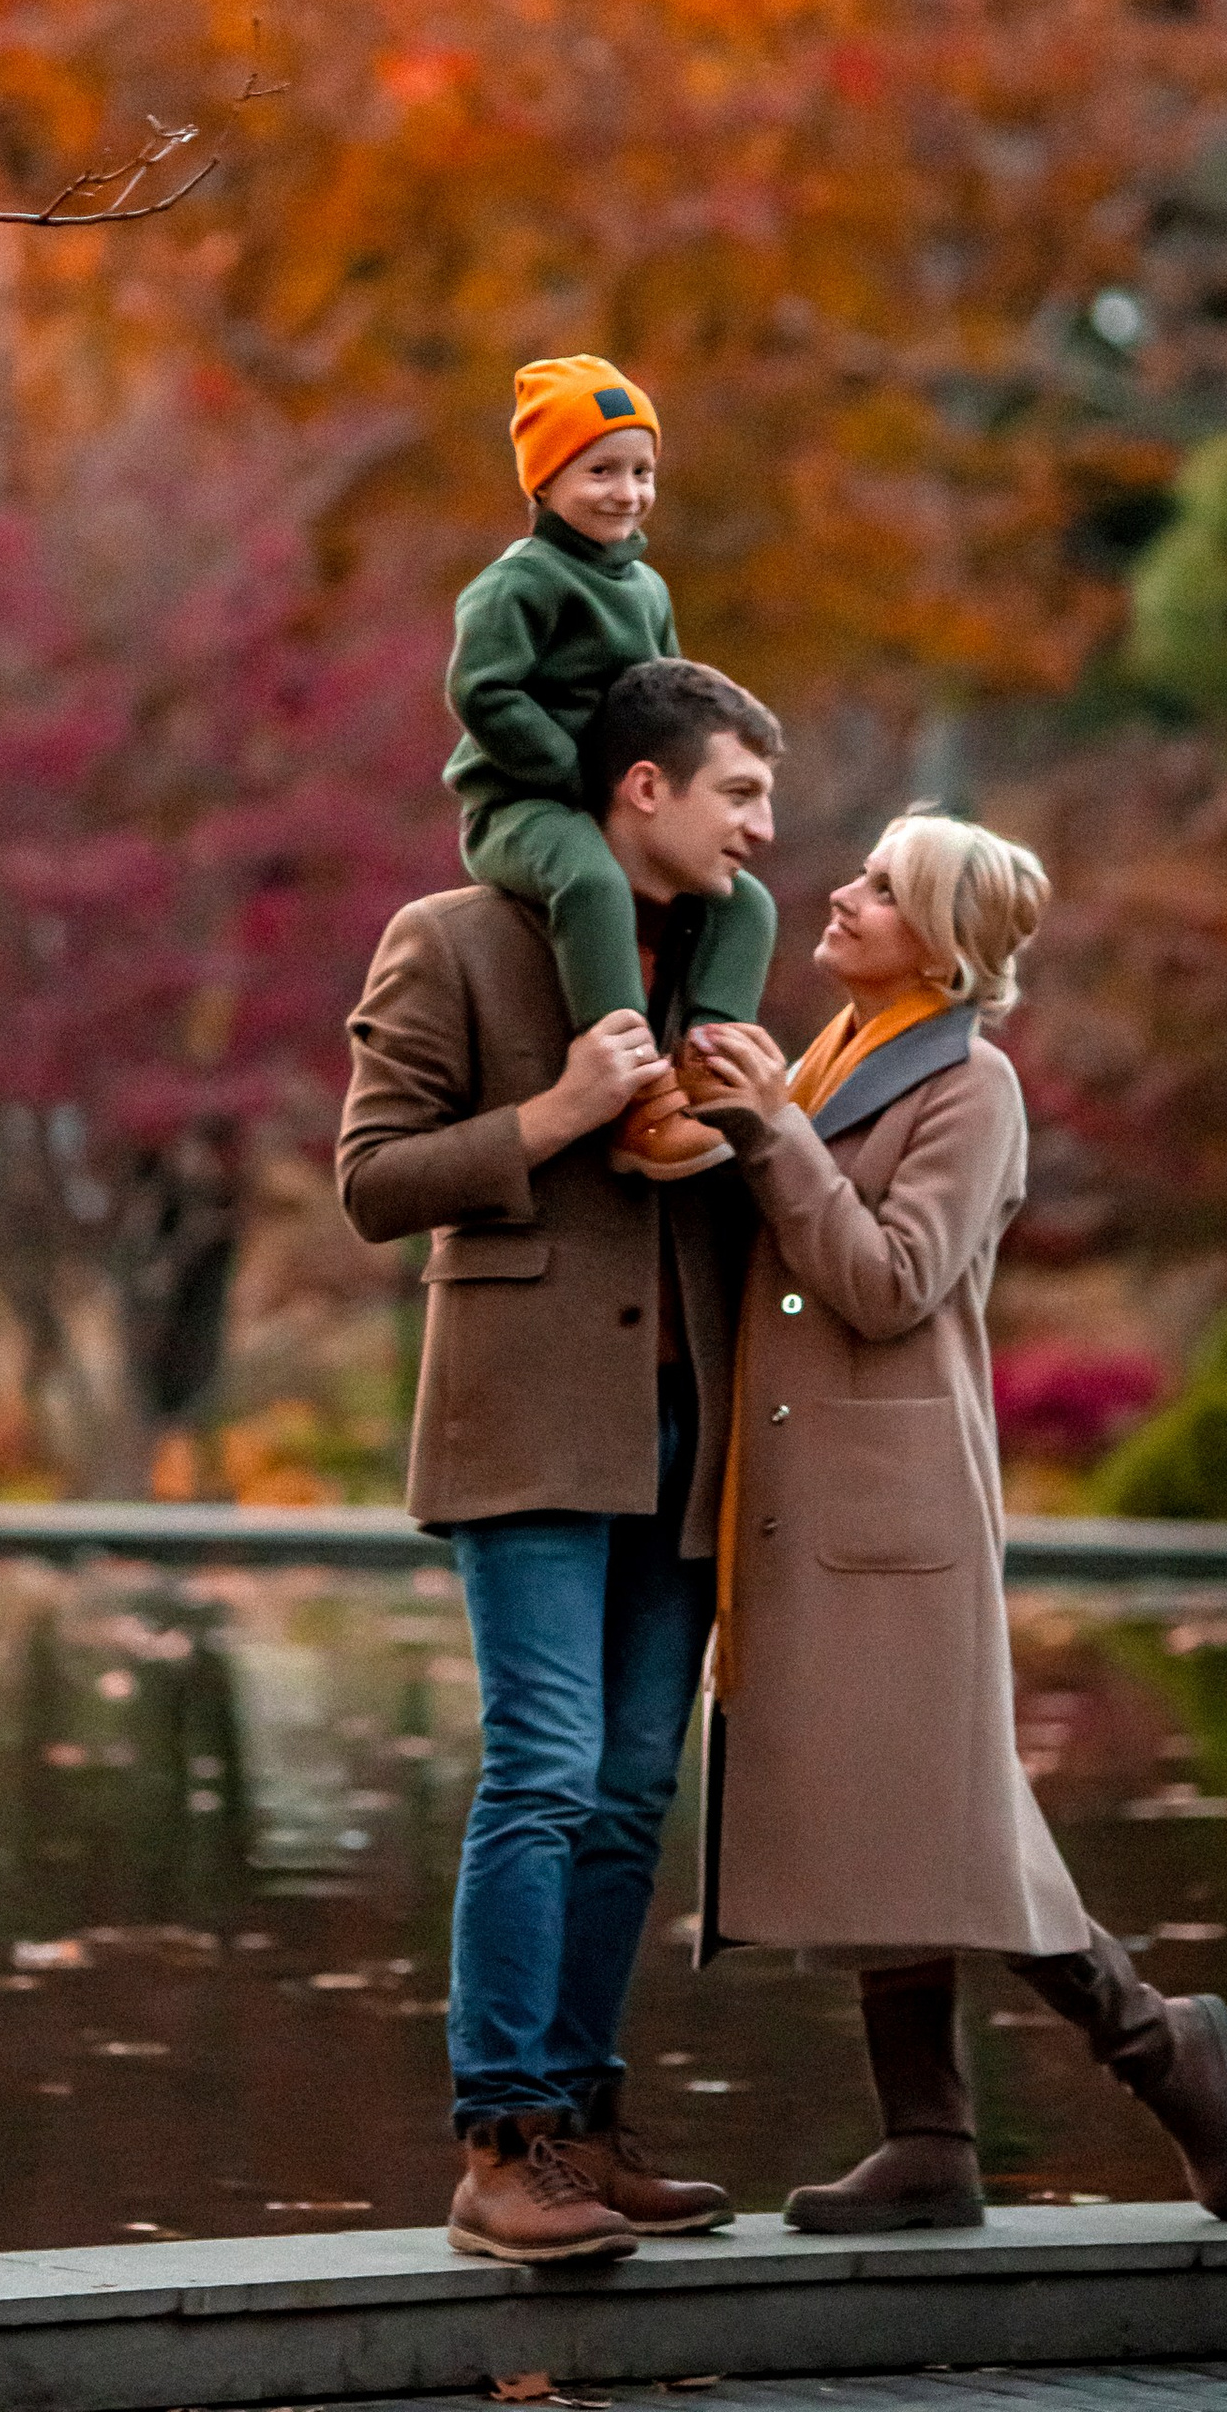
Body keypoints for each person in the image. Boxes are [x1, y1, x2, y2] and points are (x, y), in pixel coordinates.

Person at [686, 808, 1227, 2235]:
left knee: (944, 1814)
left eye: (882, 890)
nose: (843, 894)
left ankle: (1160, 2047)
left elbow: (888, 1283)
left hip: (899, 1513)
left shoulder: (972, 1086)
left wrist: (769, 1132)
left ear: (943, 948)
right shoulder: (835, 1055)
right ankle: (931, 2142)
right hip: (813, 1501)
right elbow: (782, 1260)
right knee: (885, 1813)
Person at [338, 656, 784, 2266]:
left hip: (685, 1438)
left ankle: (585, 2127)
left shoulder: (722, 962)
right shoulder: (450, 939)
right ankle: (502, 2144)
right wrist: (559, 1111)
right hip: (526, 1422)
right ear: (643, 789)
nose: (763, 828)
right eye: (740, 793)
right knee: (543, 1768)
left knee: (634, 1786)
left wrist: (761, 1126)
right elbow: (372, 1182)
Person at [446, 355, 776, 1042]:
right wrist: (575, 775)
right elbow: (484, 691)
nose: (626, 492)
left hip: (625, 802)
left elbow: (674, 703)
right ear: (545, 480)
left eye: (642, 472)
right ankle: (624, 1055)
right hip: (528, 804)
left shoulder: (648, 589)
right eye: (601, 471)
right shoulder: (520, 583)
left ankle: (715, 1050)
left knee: (744, 903)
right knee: (593, 884)